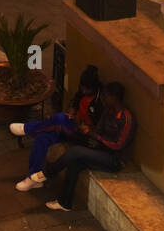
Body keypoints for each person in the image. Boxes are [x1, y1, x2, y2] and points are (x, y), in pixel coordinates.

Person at [43, 82, 135, 212]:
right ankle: (65, 202)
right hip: (101, 150)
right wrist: (88, 131)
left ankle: (48, 172)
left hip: (115, 159)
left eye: (106, 96)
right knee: (75, 162)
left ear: (114, 97)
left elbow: (118, 145)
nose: (103, 98)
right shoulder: (108, 111)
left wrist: (96, 137)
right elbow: (98, 131)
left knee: (76, 152)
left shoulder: (126, 119)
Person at [10, 65, 101, 190]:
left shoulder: (100, 101)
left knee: (59, 119)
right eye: (82, 88)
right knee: (42, 138)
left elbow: (95, 129)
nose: (84, 91)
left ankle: (28, 129)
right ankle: (33, 178)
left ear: (94, 88)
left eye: (87, 89)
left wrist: (82, 125)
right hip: (72, 126)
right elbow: (74, 104)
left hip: (82, 135)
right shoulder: (81, 93)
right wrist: (72, 111)